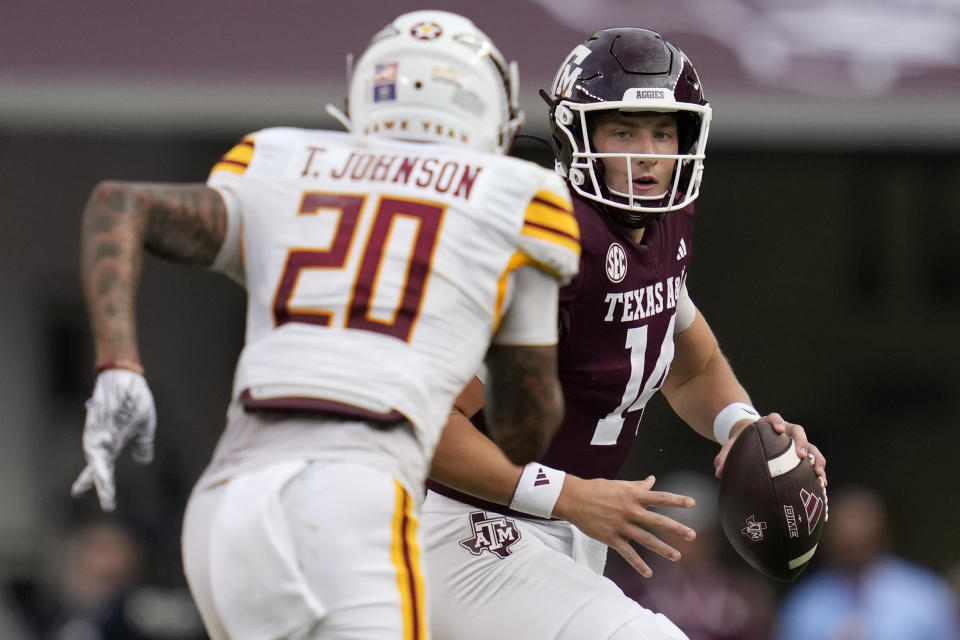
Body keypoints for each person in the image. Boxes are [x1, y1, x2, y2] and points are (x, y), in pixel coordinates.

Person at [70, 10, 581, 640]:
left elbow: (119, 203)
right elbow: (523, 431)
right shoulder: (518, 199)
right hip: (354, 490)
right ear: (494, 111)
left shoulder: (279, 159)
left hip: (229, 500)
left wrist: (118, 364)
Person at [421, 27, 828, 640]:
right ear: (577, 135)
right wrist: (565, 495)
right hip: (466, 531)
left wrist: (741, 428)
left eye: (662, 132)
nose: (648, 153)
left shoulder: (662, 232)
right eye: (624, 131)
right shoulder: (545, 246)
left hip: (557, 534)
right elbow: (428, 429)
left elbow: (689, 365)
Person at [775, 485, 959, 640]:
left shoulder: (925, 597)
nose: (852, 542)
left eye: (860, 534)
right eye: (844, 536)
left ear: (882, 534)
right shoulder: (804, 605)